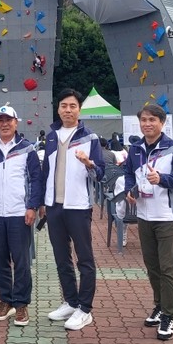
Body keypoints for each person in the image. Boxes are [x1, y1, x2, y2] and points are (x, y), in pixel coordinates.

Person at [0, 105, 44, 327]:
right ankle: (5, 301)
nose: (4, 124)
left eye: (8, 120)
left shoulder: (27, 148)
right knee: (0, 260)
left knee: (21, 260)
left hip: (19, 213)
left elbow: (36, 179)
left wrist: (32, 207)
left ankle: (21, 304)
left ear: (16, 122)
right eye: (0, 120)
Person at [123, 103, 173, 341]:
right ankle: (160, 305)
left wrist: (161, 179)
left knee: (168, 268)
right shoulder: (135, 149)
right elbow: (129, 173)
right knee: (152, 266)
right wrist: (130, 189)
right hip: (144, 215)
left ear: (162, 123)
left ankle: (169, 316)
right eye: (144, 120)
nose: (147, 124)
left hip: (168, 217)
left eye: (152, 120)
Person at [42, 88, 105, 331]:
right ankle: (70, 301)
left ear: (79, 109)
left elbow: (100, 173)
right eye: (63, 106)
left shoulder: (90, 138)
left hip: (78, 206)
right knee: (61, 258)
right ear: (58, 109)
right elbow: (46, 173)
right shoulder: (51, 137)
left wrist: (89, 164)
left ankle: (85, 309)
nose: (67, 110)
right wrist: (41, 203)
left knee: (84, 258)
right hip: (54, 206)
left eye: (72, 106)